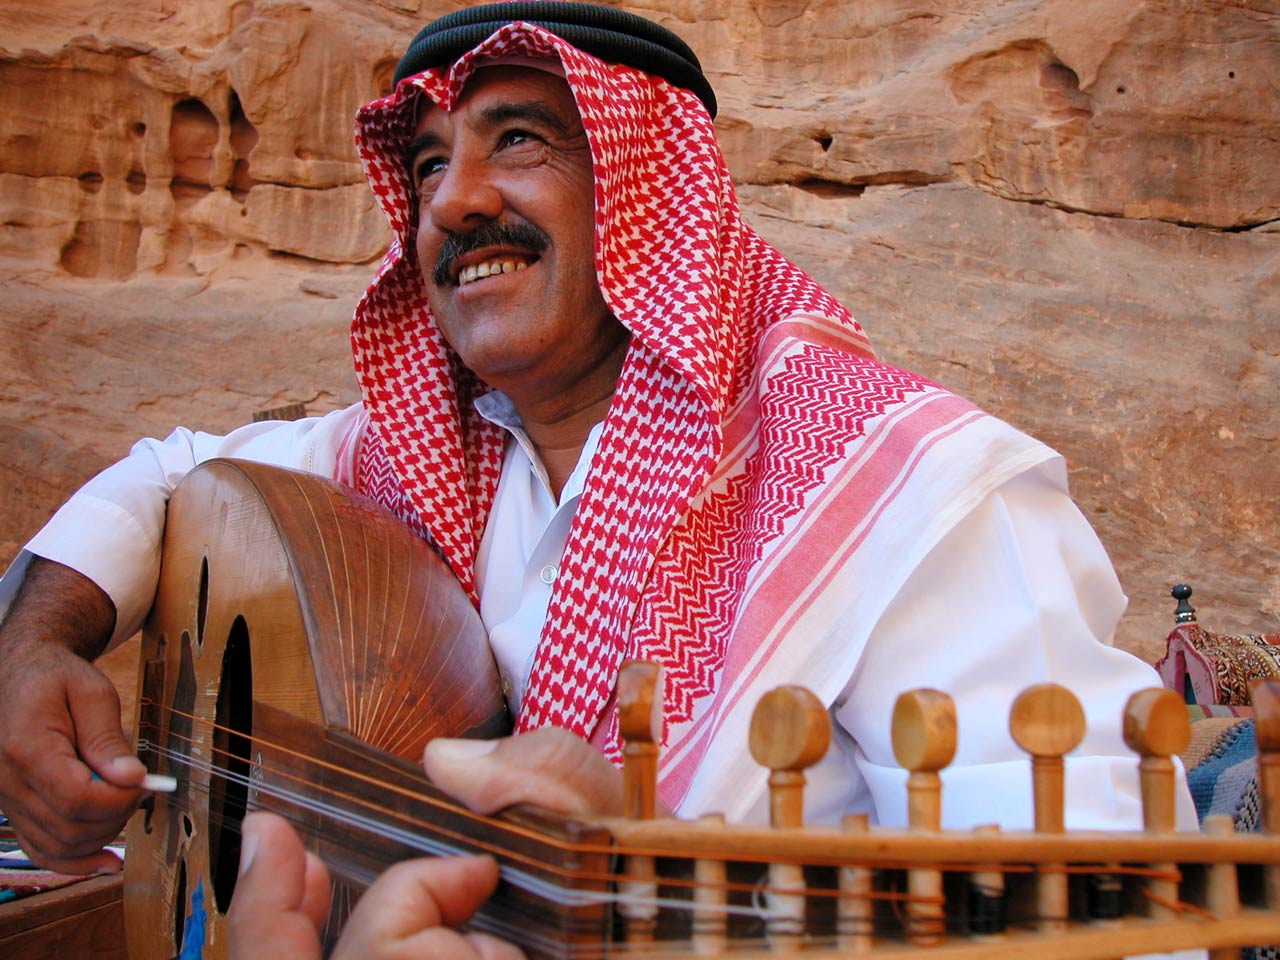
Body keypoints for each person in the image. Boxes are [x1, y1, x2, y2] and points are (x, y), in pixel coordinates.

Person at [0, 2, 1196, 953]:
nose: (452, 202)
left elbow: (1115, 937)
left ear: (649, 193)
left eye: (516, 139)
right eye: (424, 164)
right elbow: (166, 479)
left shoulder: (915, 498)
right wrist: (36, 644)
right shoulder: (408, 458)